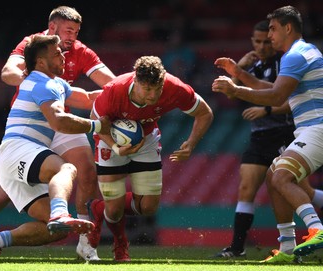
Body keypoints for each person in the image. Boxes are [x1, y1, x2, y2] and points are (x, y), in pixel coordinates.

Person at [0, 6, 115, 261]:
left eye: (76, 32)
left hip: (45, 133)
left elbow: (93, 95)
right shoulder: (38, 64)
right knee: (66, 170)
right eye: (67, 34)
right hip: (29, 138)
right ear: (52, 29)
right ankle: (59, 213)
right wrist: (97, 126)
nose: (65, 55)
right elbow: (57, 119)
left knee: (56, 222)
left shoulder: (59, 78)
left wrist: (131, 93)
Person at [212, 5, 323, 262]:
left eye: (273, 29)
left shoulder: (295, 55)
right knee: (274, 176)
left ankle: (317, 228)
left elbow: (276, 96)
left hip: (317, 128)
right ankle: (287, 249)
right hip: (310, 128)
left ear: (288, 28)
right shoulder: (302, 52)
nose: (270, 35)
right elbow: (274, 86)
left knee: (283, 176)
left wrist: (236, 90)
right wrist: (239, 75)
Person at [88, 56, 213, 261]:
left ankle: (98, 207)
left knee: (148, 207)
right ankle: (120, 244)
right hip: (110, 140)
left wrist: (191, 143)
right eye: (147, 90)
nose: (153, 95)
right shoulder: (114, 90)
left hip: (146, 140)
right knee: (115, 210)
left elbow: (205, 113)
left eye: (157, 88)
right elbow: (95, 121)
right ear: (135, 81)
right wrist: (116, 147)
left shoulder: (174, 87)